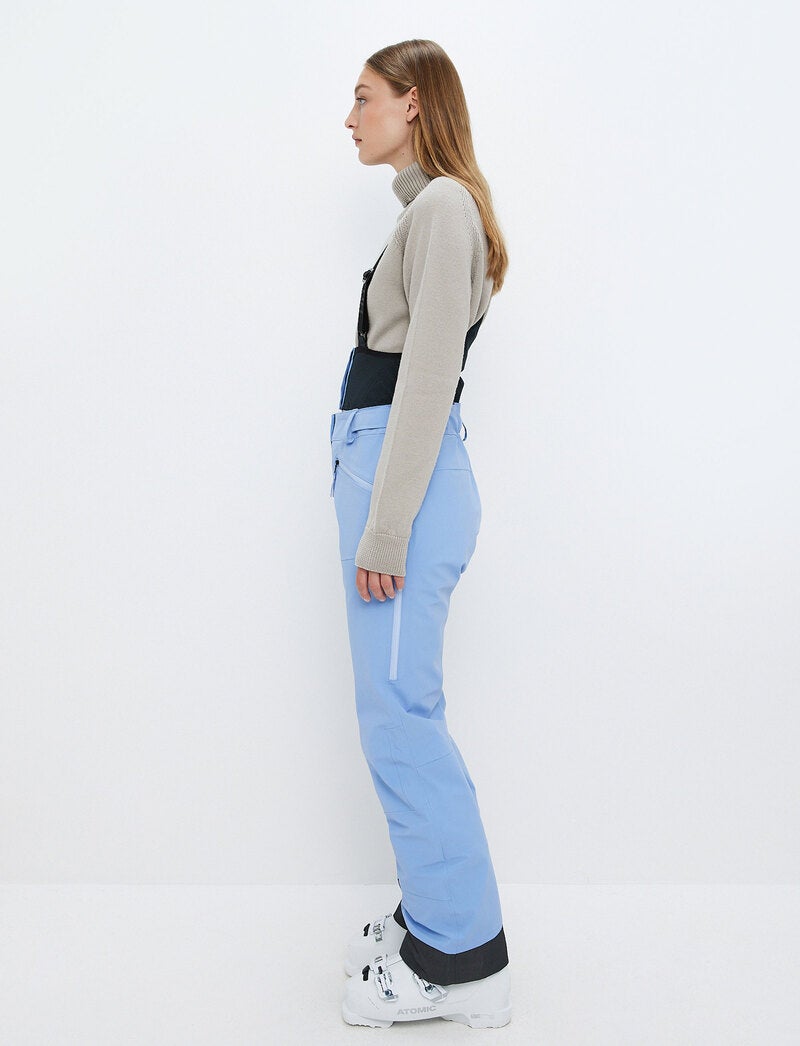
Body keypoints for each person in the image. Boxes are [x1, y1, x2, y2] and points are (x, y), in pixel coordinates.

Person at [330, 39, 511, 1029]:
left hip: (406, 477)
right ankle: (431, 921)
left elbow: (428, 371)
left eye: (363, 97)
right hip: (392, 468)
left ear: (411, 102)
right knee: (399, 708)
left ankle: (459, 959)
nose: (349, 116)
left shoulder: (441, 206)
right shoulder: (429, 210)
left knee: (400, 716)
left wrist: (384, 527)